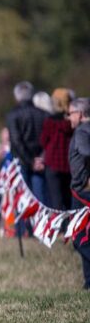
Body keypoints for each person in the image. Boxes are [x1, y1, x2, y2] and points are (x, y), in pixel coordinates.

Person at [6, 81, 49, 206]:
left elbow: (16, 141)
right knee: (40, 200)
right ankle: (40, 225)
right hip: (40, 161)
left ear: (16, 96)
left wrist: (30, 161)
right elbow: (47, 140)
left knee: (22, 200)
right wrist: (40, 158)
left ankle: (23, 226)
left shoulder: (13, 115)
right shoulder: (44, 114)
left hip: (21, 160)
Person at [67, 97, 90, 289]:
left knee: (78, 238)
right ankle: (88, 283)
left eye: (71, 113)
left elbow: (85, 152)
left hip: (83, 192)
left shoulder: (82, 131)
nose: (68, 118)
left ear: (80, 114)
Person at [40, 88, 75, 210]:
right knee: (69, 199)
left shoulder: (50, 121)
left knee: (56, 200)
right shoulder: (72, 121)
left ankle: (60, 227)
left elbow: (43, 141)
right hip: (69, 165)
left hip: (52, 164)